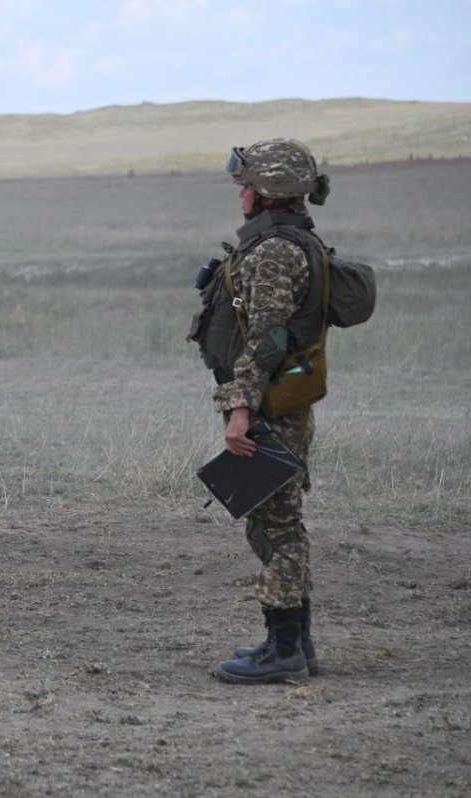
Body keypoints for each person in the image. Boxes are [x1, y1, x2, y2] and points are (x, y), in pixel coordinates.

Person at [194, 139, 334, 684]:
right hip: (282, 403)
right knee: (281, 520)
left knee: (275, 527)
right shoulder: (295, 242)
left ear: (270, 191)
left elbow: (266, 340)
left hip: (269, 407)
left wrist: (240, 411)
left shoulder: (275, 251)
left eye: (248, 186)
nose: (242, 194)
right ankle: (297, 644)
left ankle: (283, 652)